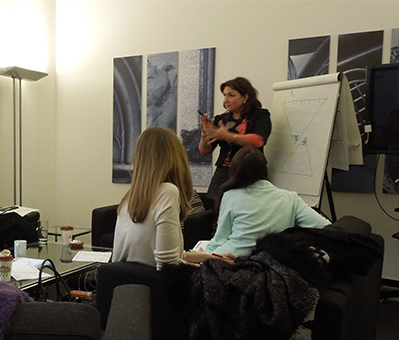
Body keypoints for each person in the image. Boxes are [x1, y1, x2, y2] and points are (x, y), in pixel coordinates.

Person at [204, 146, 331, 258]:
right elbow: (326, 228)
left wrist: (200, 253)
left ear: (235, 172)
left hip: (232, 260)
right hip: (274, 265)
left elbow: (220, 239)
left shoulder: (230, 196)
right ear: (264, 169)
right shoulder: (290, 198)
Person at [112, 127, 194, 270]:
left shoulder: (130, 198)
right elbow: (168, 264)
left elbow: (155, 255)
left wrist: (207, 258)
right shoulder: (168, 192)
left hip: (126, 288)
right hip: (154, 289)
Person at [199, 77, 272, 200]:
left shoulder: (260, 115)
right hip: (224, 171)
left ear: (246, 97)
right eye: (224, 95)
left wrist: (228, 136)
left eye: (231, 95)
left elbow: (258, 140)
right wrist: (205, 135)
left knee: (247, 207)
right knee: (214, 207)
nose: (226, 100)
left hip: (250, 170)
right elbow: (205, 151)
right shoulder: (221, 119)